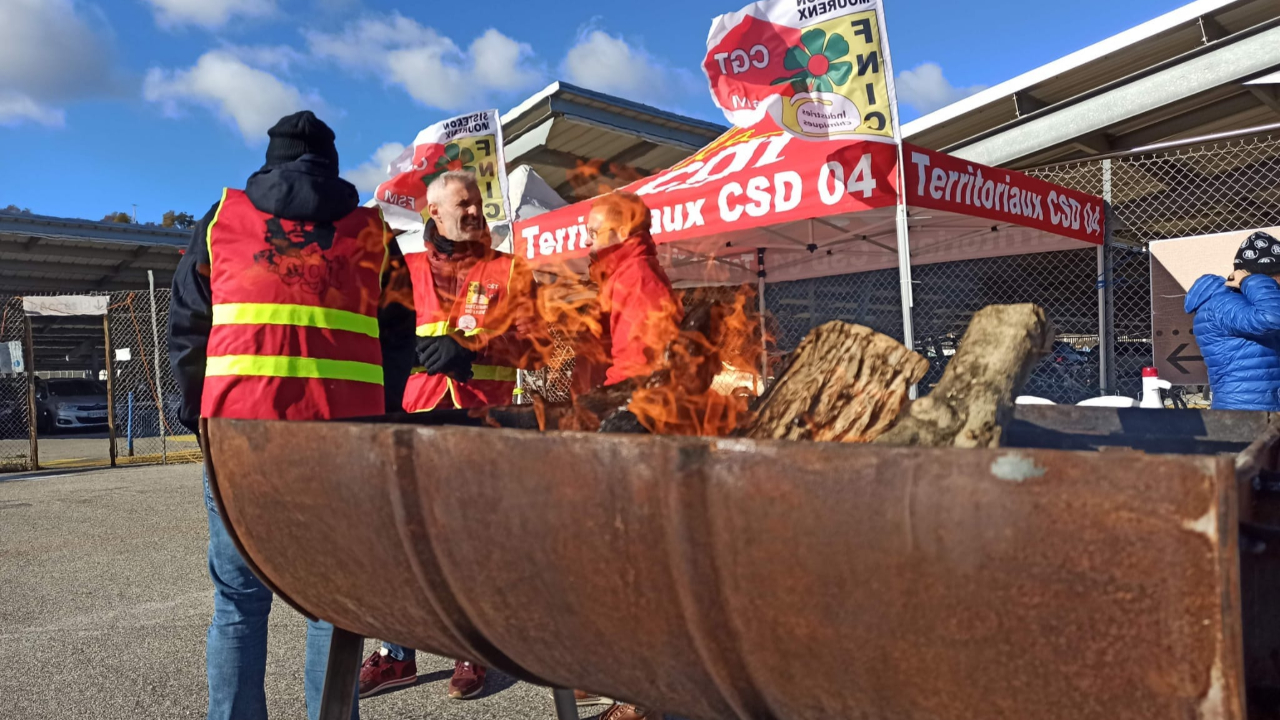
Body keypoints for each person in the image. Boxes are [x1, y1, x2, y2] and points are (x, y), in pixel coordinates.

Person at [169, 110, 412, 720]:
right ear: (333, 164)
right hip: (343, 446)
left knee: (238, 605)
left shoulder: (222, 220)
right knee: (334, 606)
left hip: (238, 441)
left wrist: (199, 417)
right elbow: (398, 339)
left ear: (270, 161)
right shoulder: (374, 235)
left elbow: (189, 328)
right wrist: (377, 419)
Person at [357, 169, 537, 701]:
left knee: (469, 544)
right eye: (464, 204)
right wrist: (406, 356)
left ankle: (471, 650)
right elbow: (376, 337)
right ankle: (397, 655)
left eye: (478, 202)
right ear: (433, 211)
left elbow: (539, 347)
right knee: (399, 542)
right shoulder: (404, 268)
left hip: (482, 423)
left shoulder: (510, 269)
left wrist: (475, 348)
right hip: (412, 420)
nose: (476, 211)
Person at [569, 191, 683, 720]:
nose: (587, 241)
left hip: (633, 433)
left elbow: (640, 370)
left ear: (618, 232)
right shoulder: (622, 276)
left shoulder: (635, 277)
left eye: (593, 232)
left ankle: (642, 698)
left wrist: (606, 415)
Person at [1185, 230, 1280, 411]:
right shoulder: (1222, 304)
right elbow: (1272, 318)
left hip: (1264, 406)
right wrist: (1251, 281)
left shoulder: (1256, 302)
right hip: (1245, 410)